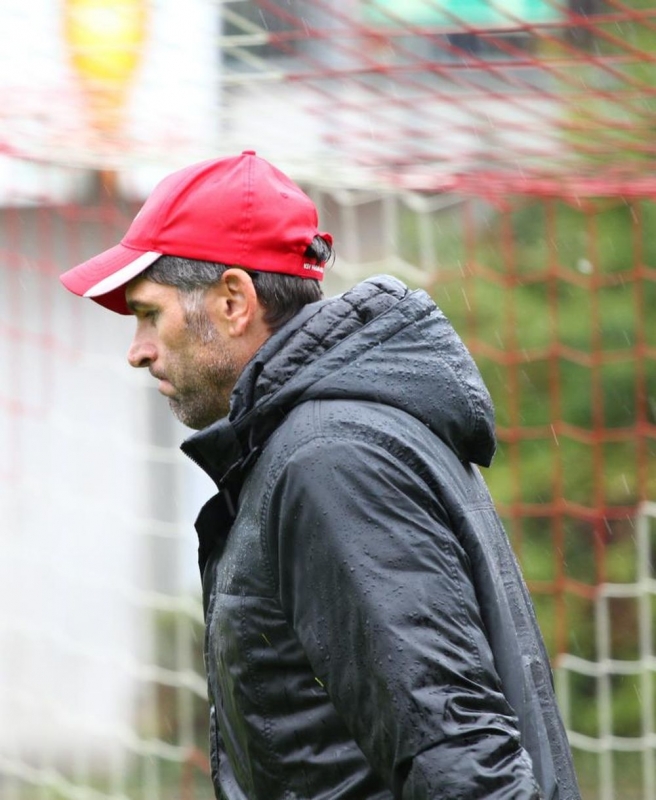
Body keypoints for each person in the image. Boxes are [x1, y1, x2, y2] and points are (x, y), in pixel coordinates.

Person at [60, 151, 581, 800]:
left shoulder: (332, 461)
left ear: (233, 301)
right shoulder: (324, 439)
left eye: (148, 314)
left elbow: (461, 761)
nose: (137, 351)